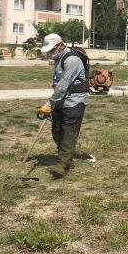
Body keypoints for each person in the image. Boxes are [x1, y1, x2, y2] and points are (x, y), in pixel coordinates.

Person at [36, 33, 89, 178]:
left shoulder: (72, 60)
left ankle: (62, 165)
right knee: (57, 130)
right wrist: (54, 103)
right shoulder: (59, 58)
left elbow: (63, 85)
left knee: (68, 133)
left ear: (61, 45)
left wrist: (49, 104)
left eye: (52, 49)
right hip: (61, 100)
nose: (50, 53)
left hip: (74, 102)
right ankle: (66, 158)